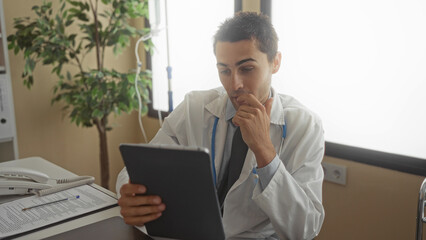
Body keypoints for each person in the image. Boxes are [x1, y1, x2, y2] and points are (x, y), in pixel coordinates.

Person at [116, 12, 325, 240]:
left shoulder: (305, 126)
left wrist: (265, 150)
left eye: (246, 69)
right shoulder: (194, 107)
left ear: (275, 62)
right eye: (224, 70)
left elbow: (305, 229)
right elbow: (144, 164)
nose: (234, 84)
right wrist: (130, 191)